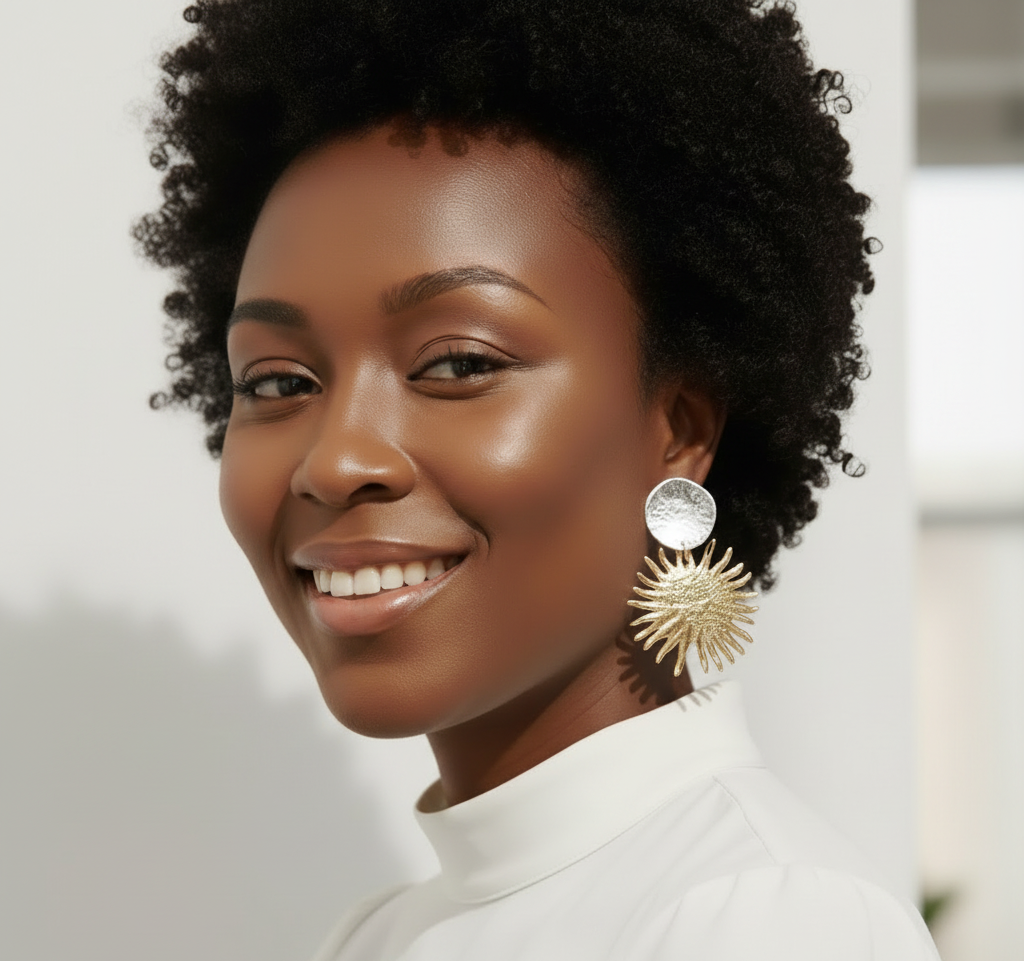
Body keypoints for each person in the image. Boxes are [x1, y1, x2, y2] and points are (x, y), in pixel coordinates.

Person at [135, 0, 940, 957]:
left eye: (460, 363)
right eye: (278, 381)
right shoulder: (378, 937)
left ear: (678, 430)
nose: (337, 457)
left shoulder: (765, 916)